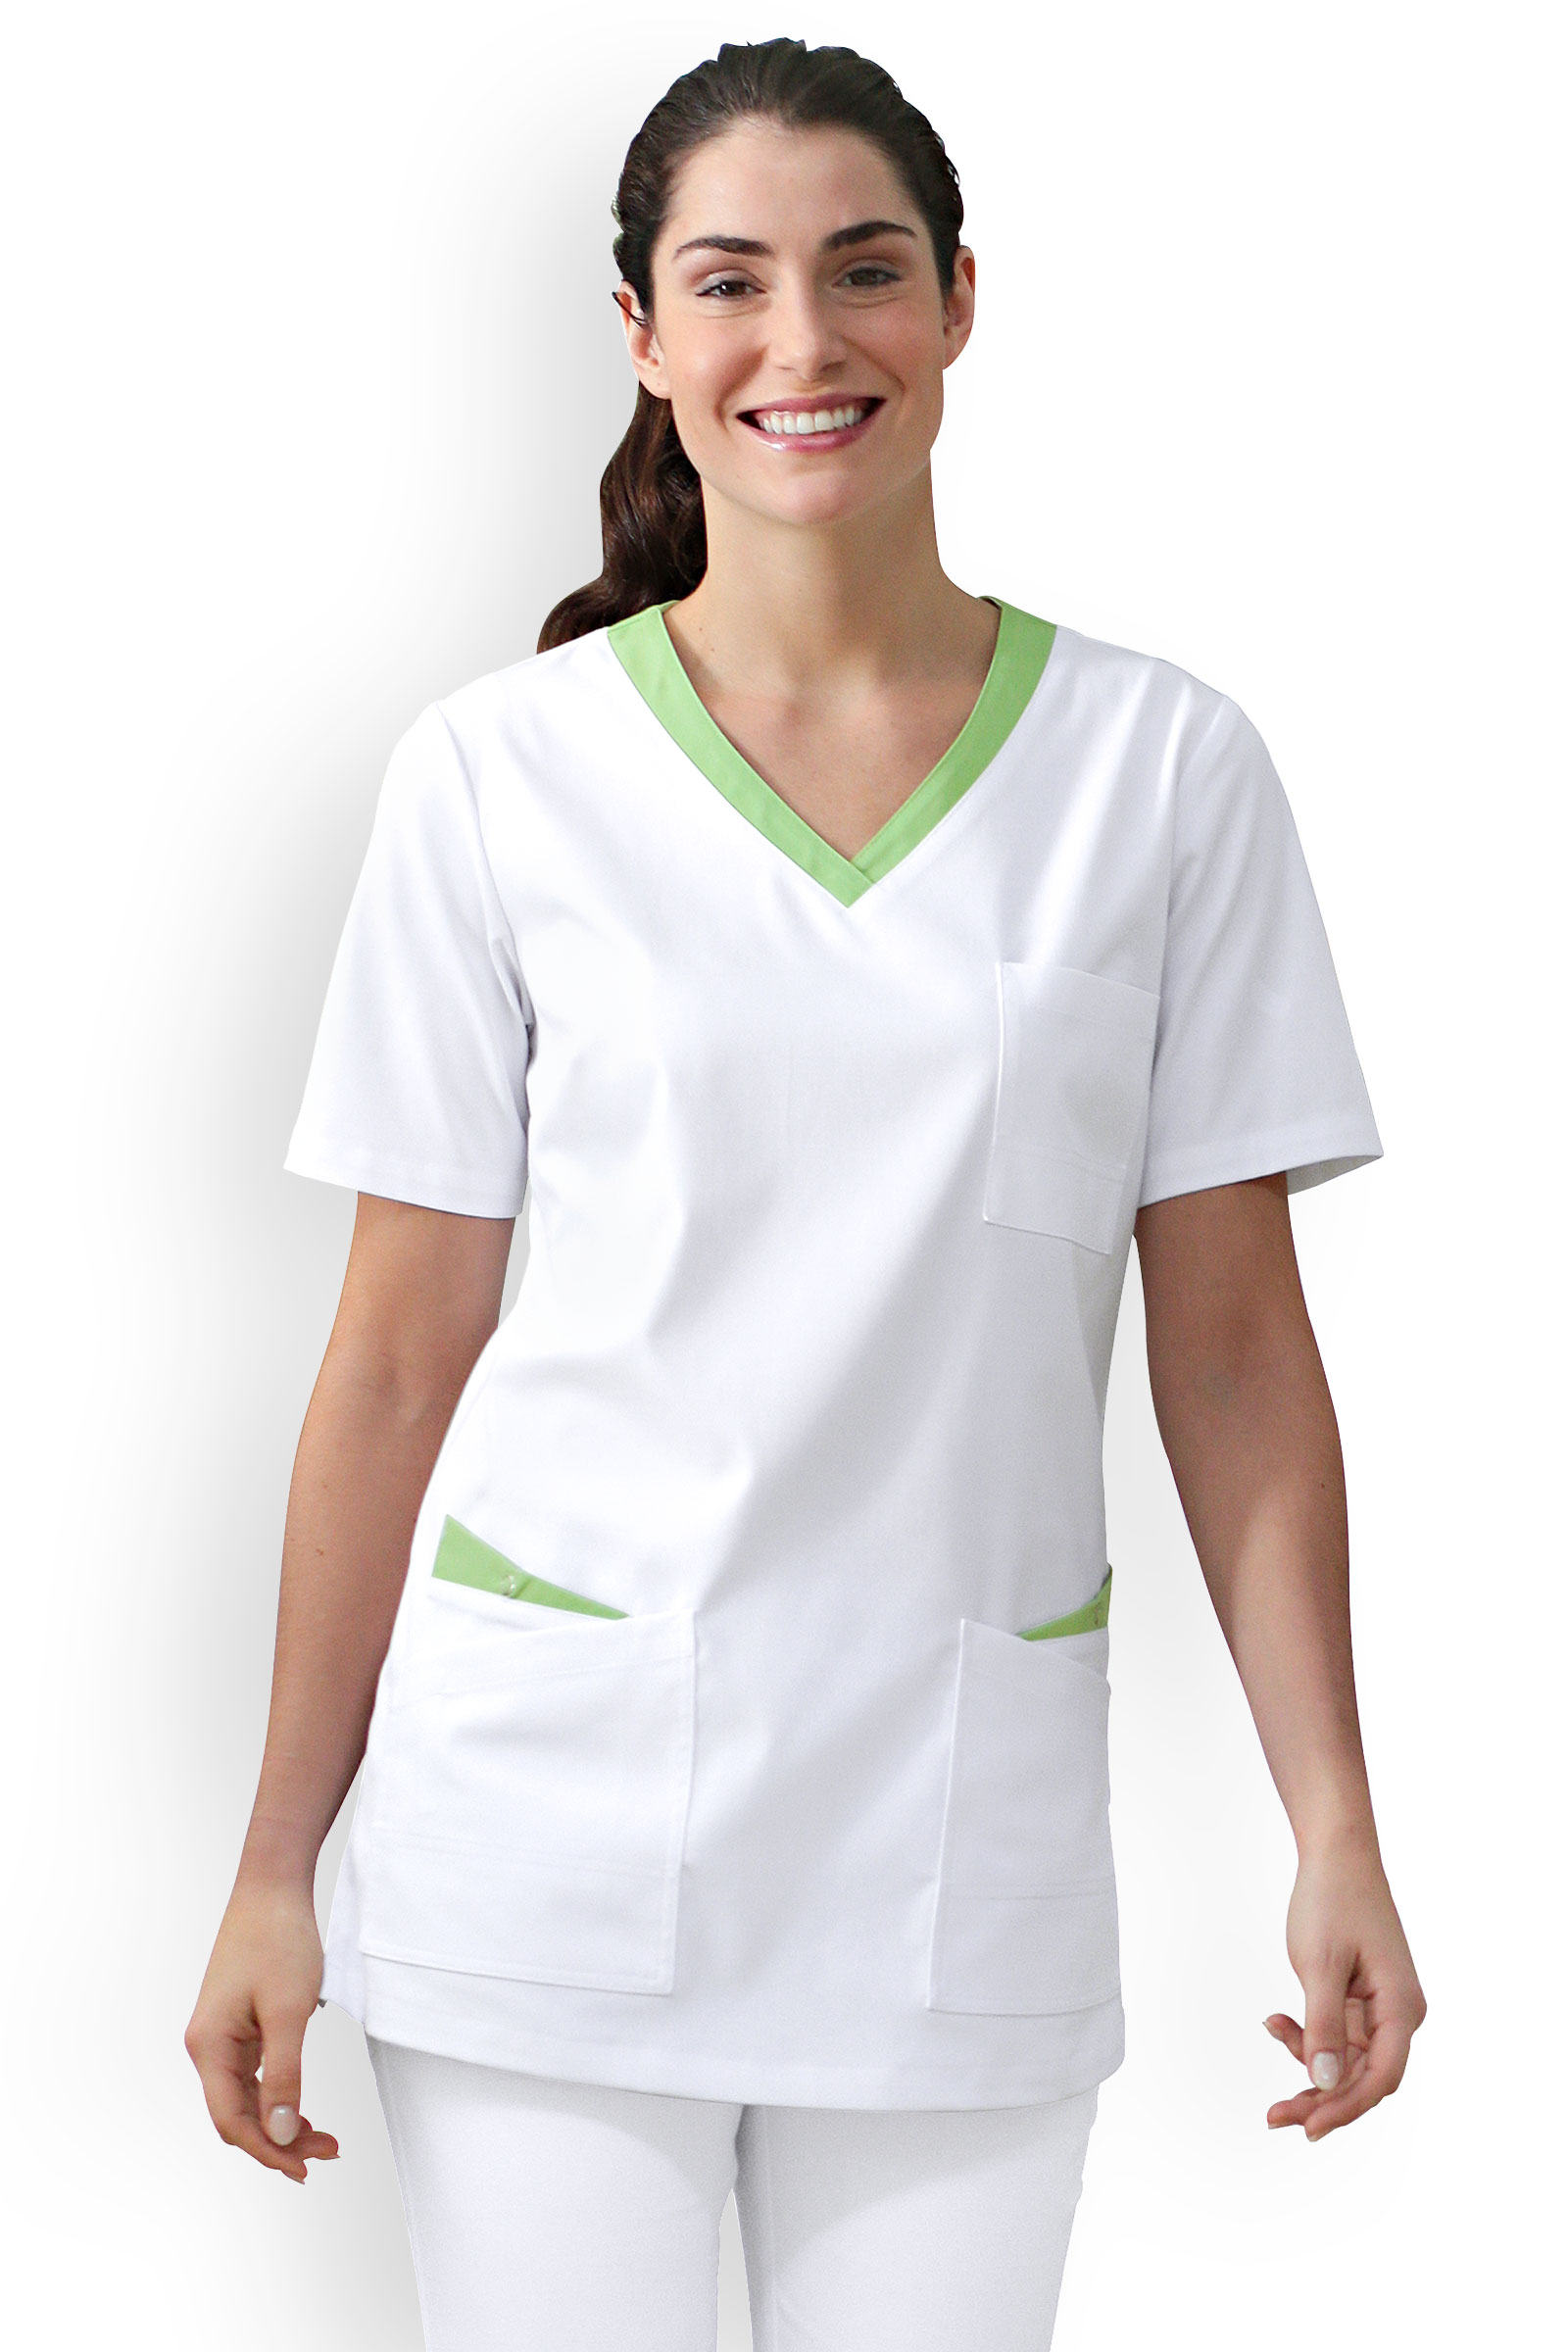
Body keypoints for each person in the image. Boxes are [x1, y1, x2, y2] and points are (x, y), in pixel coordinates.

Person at [185, 34, 1426, 2351]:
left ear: (956, 300)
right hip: (545, 1830)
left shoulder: (1158, 775)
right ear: (641, 336)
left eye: (862, 270)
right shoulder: (494, 781)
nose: (800, 339)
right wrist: (275, 1864)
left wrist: (1330, 1822)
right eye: (727, 280)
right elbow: (392, 1361)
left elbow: (1236, 1354)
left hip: (954, 1840)